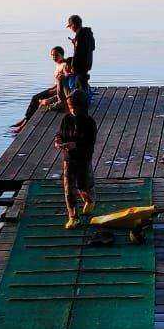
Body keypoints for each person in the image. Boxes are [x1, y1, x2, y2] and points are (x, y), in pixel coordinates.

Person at [55, 90, 96, 228]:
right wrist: (58, 141)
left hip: (83, 158)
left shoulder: (89, 122)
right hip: (68, 158)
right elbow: (60, 133)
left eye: (74, 106)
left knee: (82, 186)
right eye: (70, 106)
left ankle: (89, 200)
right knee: (68, 187)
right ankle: (73, 216)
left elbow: (90, 142)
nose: (72, 109)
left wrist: (76, 144)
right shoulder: (66, 119)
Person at [10, 46, 70, 134]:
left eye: (56, 55)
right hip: (55, 89)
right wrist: (51, 88)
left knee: (36, 99)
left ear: (62, 55)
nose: (54, 57)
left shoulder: (64, 65)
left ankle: (24, 124)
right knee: (35, 98)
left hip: (59, 91)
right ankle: (25, 119)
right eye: (52, 55)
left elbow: (65, 80)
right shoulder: (58, 64)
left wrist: (53, 91)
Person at [66, 14, 95, 93]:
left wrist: (73, 66)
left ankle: (83, 100)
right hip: (88, 62)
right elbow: (92, 47)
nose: (71, 29)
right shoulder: (88, 33)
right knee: (83, 82)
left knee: (80, 85)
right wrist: (75, 43)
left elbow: (77, 54)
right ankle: (85, 97)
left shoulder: (79, 36)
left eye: (70, 26)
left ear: (74, 25)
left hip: (80, 65)